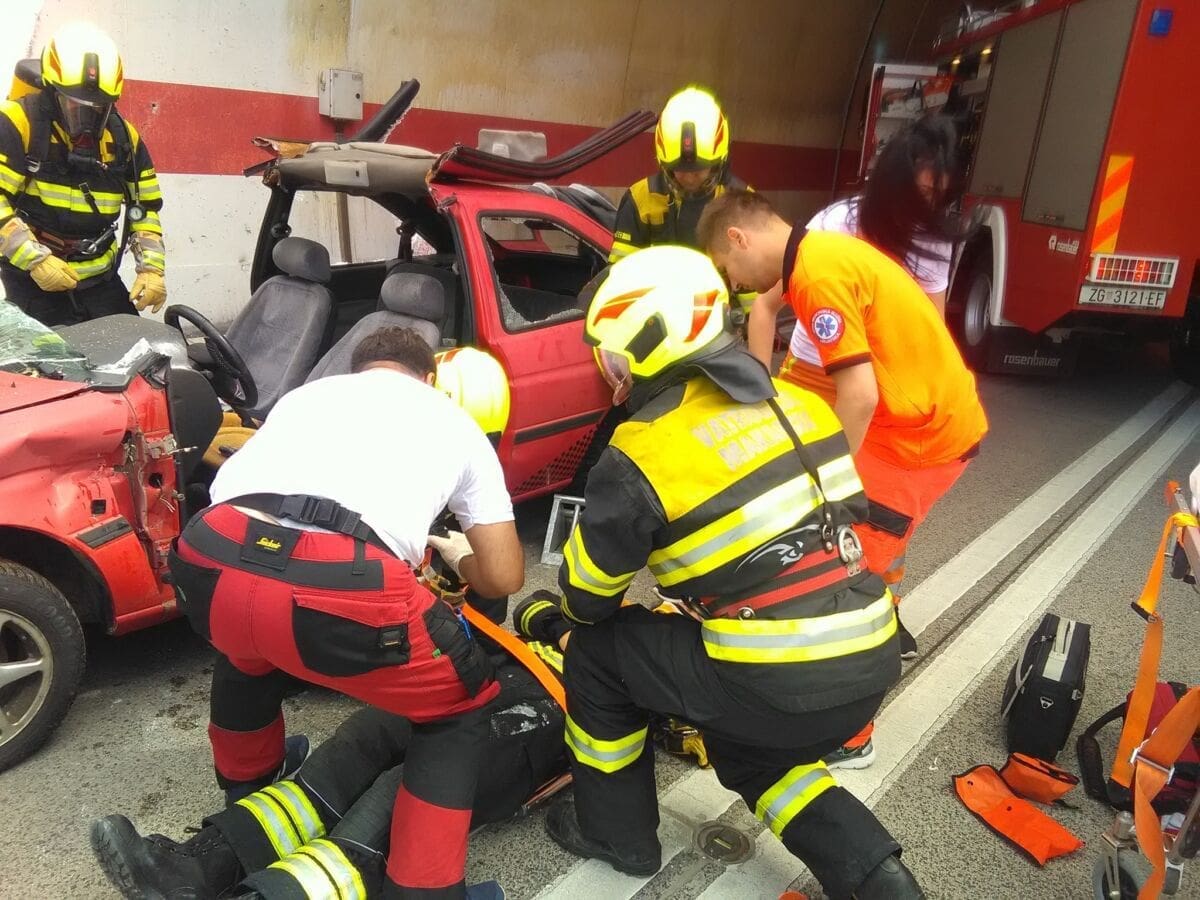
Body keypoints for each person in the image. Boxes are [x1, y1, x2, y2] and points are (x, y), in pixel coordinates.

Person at [540, 245, 923, 899]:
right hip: (866, 662)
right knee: (749, 745)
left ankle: (618, 835)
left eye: (611, 353)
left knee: (600, 656)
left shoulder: (643, 449)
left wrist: (568, 615)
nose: (610, 369)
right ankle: (876, 878)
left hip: (772, 676)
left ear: (643, 347)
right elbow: (825, 527)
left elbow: (588, 598)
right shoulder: (800, 404)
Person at [168, 326, 524, 899]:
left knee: (245, 648)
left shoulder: (305, 397)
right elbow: (504, 577)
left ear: (360, 369)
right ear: (429, 378)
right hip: (345, 581)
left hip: (213, 552)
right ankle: (425, 891)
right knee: (461, 708)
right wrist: (462, 557)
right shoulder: (452, 419)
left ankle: (249, 789)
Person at [700, 190, 988, 768]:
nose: (737, 285)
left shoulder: (817, 273)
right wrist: (766, 403)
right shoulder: (814, 254)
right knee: (856, 559)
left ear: (739, 238)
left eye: (730, 271)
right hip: (915, 421)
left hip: (917, 441)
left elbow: (859, 395)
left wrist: (831, 485)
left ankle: (852, 736)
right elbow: (763, 314)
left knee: (848, 570)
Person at [90, 598, 573, 900]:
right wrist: (565, 629)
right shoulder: (608, 605)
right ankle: (198, 868)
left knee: (414, 787)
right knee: (362, 739)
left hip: (556, 714)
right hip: (493, 678)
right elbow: (534, 606)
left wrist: (583, 645)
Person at [774, 117, 966, 405]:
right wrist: (762, 392)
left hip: (884, 382)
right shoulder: (837, 223)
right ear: (893, 182)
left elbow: (934, 328)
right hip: (813, 370)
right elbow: (766, 306)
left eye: (937, 195)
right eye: (922, 192)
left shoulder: (933, 238)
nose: (927, 204)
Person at [0, 22, 166, 326]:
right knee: (48, 356)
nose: (87, 119)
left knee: (134, 347)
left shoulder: (124, 138)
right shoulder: (18, 123)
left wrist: (152, 270)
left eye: (98, 108)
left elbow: (144, 210)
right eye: (74, 105)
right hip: (35, 280)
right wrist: (35, 259)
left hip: (101, 281)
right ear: (52, 92)